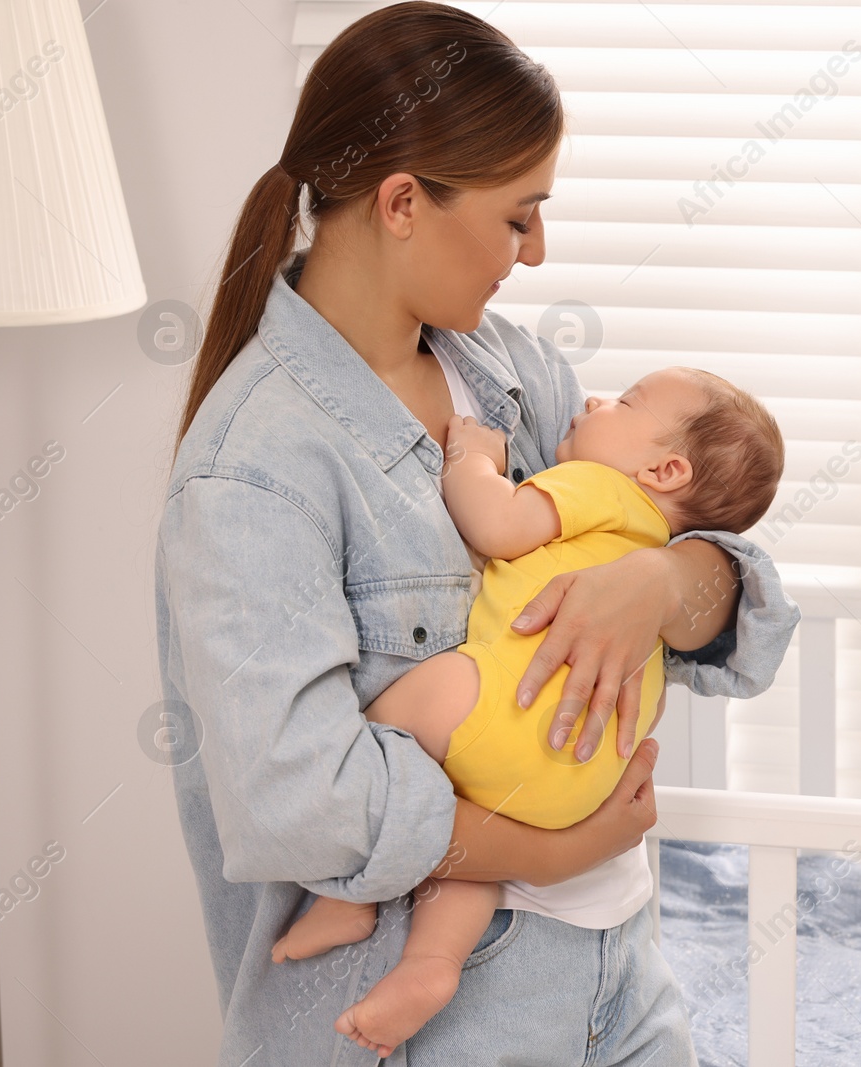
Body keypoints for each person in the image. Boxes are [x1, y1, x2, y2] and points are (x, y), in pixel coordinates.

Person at [152, 5, 799, 1064]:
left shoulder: (509, 373)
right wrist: (551, 848)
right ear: (403, 202)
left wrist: (661, 578)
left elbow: (739, 605)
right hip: (420, 1027)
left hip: (614, 978)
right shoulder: (256, 471)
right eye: (518, 216)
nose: (536, 251)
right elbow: (302, 804)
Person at [270, 367, 785, 1056]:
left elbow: (497, 521)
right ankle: (433, 964)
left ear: (662, 469)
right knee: (476, 853)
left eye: (625, 401)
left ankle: (354, 892)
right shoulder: (650, 543)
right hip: (581, 780)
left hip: (500, 713)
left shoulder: (602, 488)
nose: (596, 400)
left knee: (383, 713)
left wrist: (473, 458)